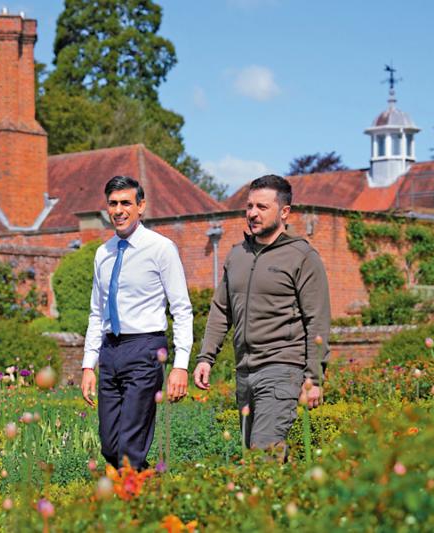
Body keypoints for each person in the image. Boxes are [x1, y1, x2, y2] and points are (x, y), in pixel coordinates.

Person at [194, 174, 330, 454]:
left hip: (282, 368)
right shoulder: (237, 255)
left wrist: (314, 378)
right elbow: (221, 310)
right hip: (244, 372)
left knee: (262, 454)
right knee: (254, 457)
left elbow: (317, 320)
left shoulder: (302, 256)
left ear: (284, 212)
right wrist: (206, 357)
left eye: (262, 207)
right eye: (250, 206)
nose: (252, 213)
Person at [81, 175, 193, 470]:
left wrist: (181, 365)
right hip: (110, 350)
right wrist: (88, 365)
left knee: (130, 446)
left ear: (141, 206)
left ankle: (134, 492)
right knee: (109, 444)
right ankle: (142, 486)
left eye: (126, 203)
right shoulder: (103, 253)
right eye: (113, 204)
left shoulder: (161, 248)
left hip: (145, 348)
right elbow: (96, 313)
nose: (118, 210)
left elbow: (181, 309)